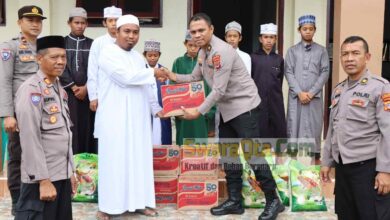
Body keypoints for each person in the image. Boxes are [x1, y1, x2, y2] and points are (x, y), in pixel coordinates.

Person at [161, 13, 284, 220]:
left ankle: (274, 200)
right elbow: (194, 78)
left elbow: (218, 90)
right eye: (193, 32)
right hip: (227, 110)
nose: (197, 35)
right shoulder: (203, 51)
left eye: (201, 30)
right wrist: (171, 75)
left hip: (245, 108)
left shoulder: (222, 51)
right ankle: (235, 201)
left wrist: (198, 111)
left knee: (253, 155)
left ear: (211, 30)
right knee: (229, 156)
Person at [95, 14, 165, 219]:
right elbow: (125, 78)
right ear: (116, 32)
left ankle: (140, 202)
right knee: (114, 162)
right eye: (127, 31)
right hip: (114, 119)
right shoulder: (107, 53)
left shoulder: (137, 57)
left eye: (135, 32)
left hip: (138, 119)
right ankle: (107, 207)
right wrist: (154, 72)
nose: (131, 36)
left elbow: (147, 86)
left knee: (139, 160)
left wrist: (155, 108)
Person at [321, 36, 390, 220]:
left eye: (355, 53)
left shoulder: (381, 88)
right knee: (345, 215)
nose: (349, 58)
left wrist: (385, 170)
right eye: (345, 54)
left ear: (367, 57)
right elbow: (332, 130)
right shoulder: (339, 89)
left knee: (370, 215)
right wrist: (326, 161)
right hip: (343, 170)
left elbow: (388, 132)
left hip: (368, 169)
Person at [14, 35, 77, 220]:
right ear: (39, 59)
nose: (60, 62)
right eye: (54, 57)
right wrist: (43, 180)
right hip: (42, 180)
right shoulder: (31, 90)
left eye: (63, 57)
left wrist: (70, 171)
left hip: (61, 176)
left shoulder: (60, 89)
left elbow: (65, 134)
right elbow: (29, 138)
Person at [0, 5, 45, 215]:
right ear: (19, 23)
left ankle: (38, 196)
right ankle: (18, 202)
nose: (35, 24)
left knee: (42, 153)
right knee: (18, 156)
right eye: (30, 20)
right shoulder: (10, 47)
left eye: (38, 21)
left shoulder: (45, 47)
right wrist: (8, 115)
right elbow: (4, 81)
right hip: (20, 112)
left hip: (44, 110)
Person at [284, 15, 329, 163]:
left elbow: (325, 72)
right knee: (293, 129)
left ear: (315, 30)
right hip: (296, 98)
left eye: (311, 29)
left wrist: (310, 93)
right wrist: (299, 92)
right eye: (305, 29)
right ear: (299, 30)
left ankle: (314, 166)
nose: (308, 31)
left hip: (313, 99)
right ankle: (292, 167)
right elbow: (288, 72)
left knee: (314, 129)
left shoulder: (322, 51)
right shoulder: (292, 51)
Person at [60, 7, 96, 154]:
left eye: (83, 23)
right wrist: (74, 87)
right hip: (68, 95)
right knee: (70, 128)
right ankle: (71, 169)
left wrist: (87, 87)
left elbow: (96, 68)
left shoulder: (93, 44)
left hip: (89, 95)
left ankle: (89, 168)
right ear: (69, 23)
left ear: (86, 24)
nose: (80, 26)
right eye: (76, 22)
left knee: (88, 129)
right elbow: (59, 66)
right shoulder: (61, 42)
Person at [171, 30, 213, 145]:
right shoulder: (178, 62)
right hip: (183, 111)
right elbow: (173, 85)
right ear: (185, 44)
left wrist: (209, 111)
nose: (193, 48)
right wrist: (175, 111)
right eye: (190, 45)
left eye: (196, 45)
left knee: (200, 145)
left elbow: (210, 87)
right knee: (184, 144)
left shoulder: (205, 63)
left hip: (200, 110)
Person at [251, 23, 286, 139]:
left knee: (277, 129)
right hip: (258, 101)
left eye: (271, 37)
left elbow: (279, 81)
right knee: (260, 130)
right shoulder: (253, 58)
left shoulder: (279, 59)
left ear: (275, 39)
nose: (269, 40)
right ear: (260, 39)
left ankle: (277, 155)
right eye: (266, 37)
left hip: (275, 101)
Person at [87, 6, 122, 114]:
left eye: (116, 20)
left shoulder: (126, 42)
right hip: (103, 92)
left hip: (122, 91)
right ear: (104, 23)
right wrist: (93, 96)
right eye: (110, 20)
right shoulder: (98, 42)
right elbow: (92, 70)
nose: (114, 23)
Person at [143, 39, 172, 145]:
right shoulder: (141, 71)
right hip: (146, 112)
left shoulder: (164, 71)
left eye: (155, 55)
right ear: (144, 55)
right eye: (149, 55)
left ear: (159, 55)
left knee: (162, 139)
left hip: (162, 112)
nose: (152, 58)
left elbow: (169, 91)